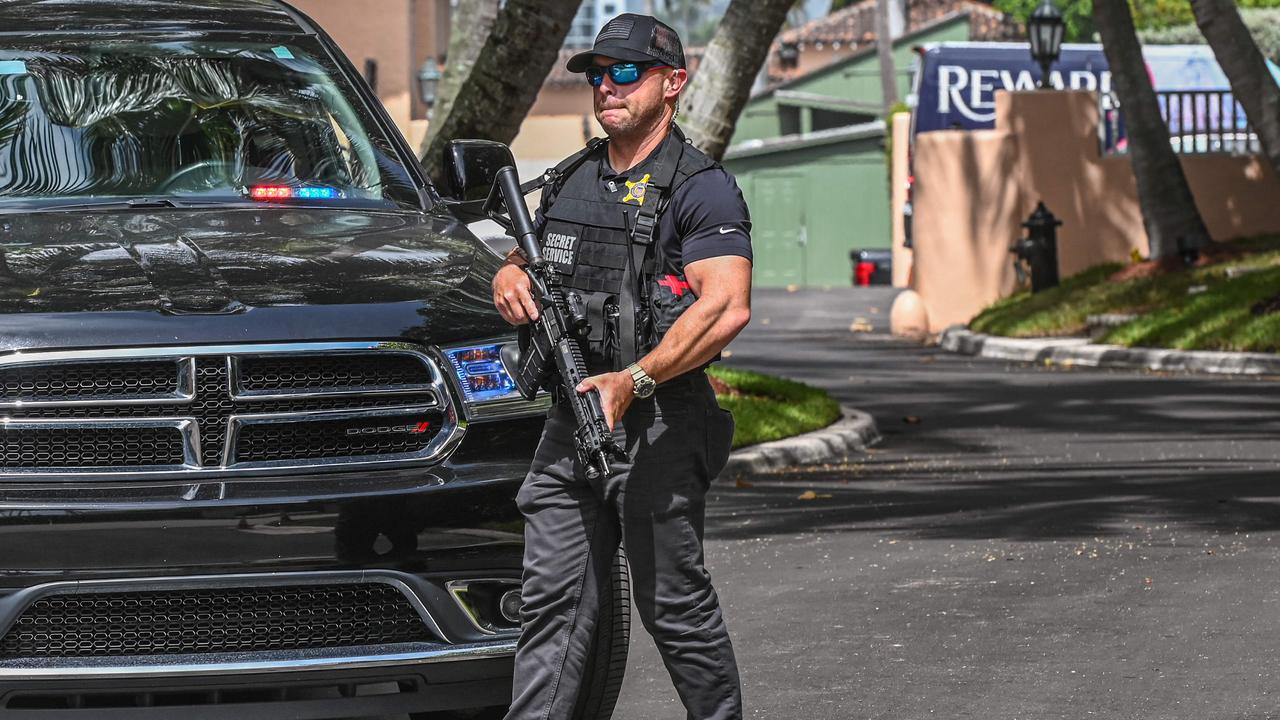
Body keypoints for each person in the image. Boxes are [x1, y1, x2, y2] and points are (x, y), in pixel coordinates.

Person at [491, 13, 752, 720]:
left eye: (626, 72)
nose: (607, 86)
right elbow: (532, 259)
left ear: (672, 83)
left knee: (673, 603)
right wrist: (506, 277)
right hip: (571, 419)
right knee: (551, 605)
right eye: (598, 74)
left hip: (659, 419)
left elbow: (726, 306)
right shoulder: (573, 178)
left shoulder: (702, 189)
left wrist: (633, 381)